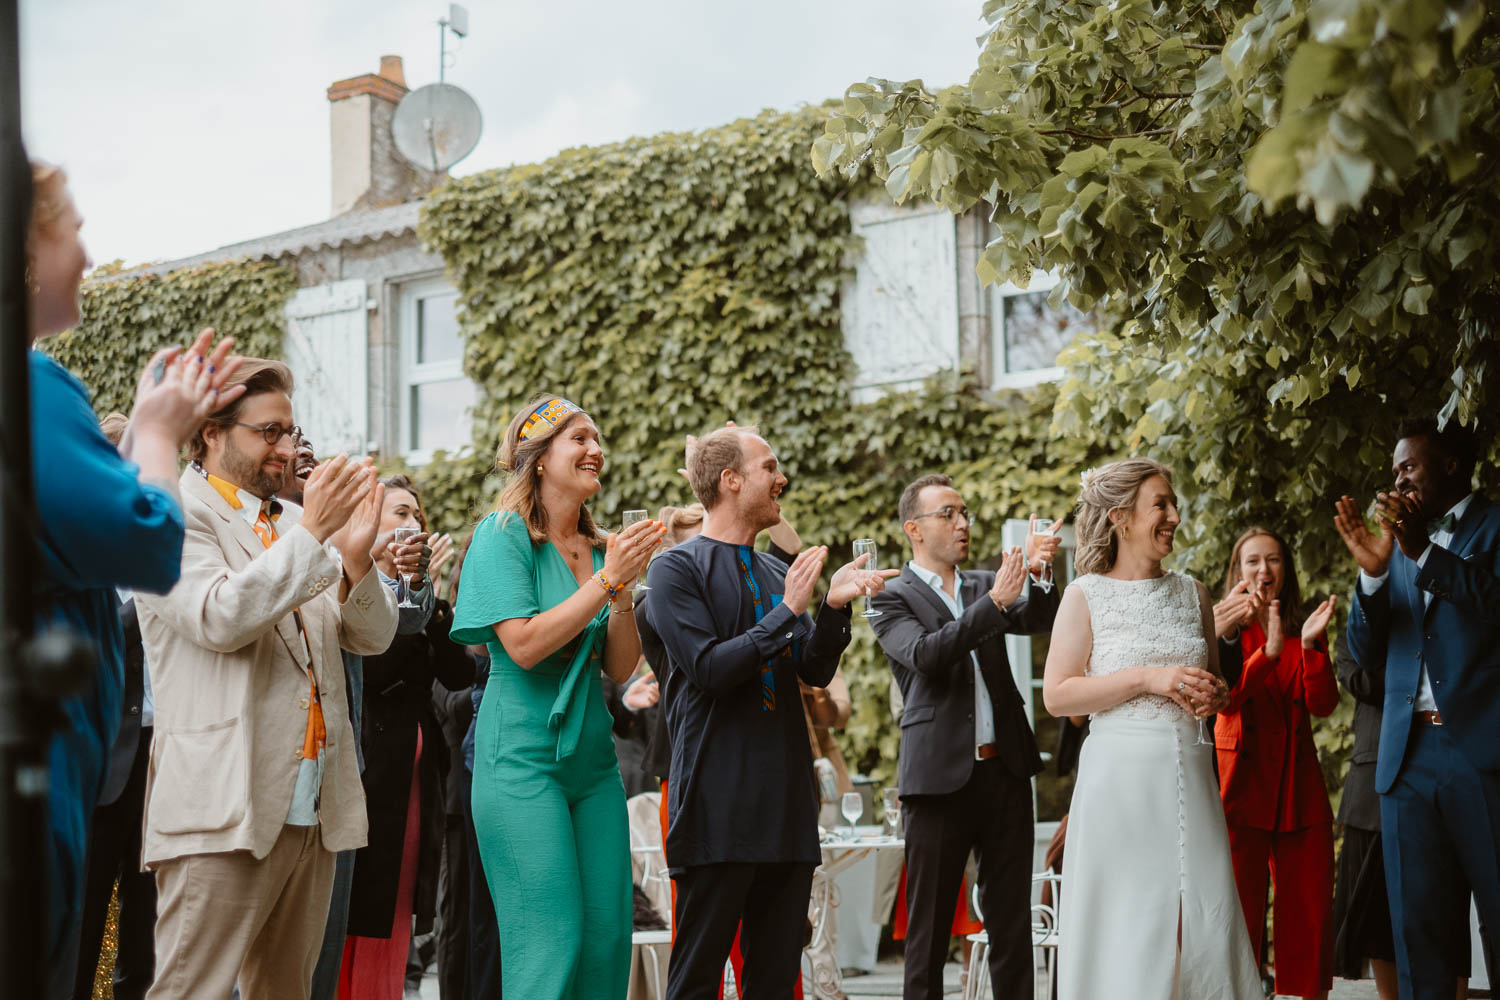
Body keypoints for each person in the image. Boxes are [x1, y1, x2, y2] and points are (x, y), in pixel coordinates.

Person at [26, 161, 241, 1000]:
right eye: (72, 227)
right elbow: (146, 545)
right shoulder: (31, 385)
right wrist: (154, 435)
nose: (87, 252)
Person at [136, 358, 398, 999]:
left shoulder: (287, 526)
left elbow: (370, 636)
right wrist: (314, 533)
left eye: (291, 430)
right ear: (211, 435)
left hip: (313, 806)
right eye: (269, 432)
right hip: (221, 805)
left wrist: (356, 559)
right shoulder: (172, 516)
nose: (287, 448)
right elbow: (220, 617)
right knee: (189, 990)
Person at [638, 424, 894, 1000]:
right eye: (770, 468)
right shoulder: (674, 570)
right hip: (715, 806)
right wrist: (787, 612)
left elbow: (812, 670)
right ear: (730, 481)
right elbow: (708, 669)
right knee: (697, 980)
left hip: (787, 808)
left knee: (776, 981)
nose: (783, 479)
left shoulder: (779, 574)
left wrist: (830, 608)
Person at [449, 395, 664, 1000]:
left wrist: (620, 587)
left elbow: (620, 666)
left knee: (604, 943)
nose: (596, 449)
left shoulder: (600, 547)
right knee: (550, 942)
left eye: (597, 438)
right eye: (579, 438)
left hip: (592, 761)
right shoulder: (503, 535)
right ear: (539, 458)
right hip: (520, 757)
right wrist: (606, 580)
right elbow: (519, 645)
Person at [1042, 458, 1262, 1000]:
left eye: (1173, 503)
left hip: (1191, 776)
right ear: (1121, 518)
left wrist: (1217, 696)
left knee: (1202, 920)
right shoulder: (1085, 595)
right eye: (1159, 504)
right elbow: (1058, 695)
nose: (1173, 516)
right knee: (1130, 927)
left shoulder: (1195, 594)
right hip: (1120, 786)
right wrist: (1147, 677)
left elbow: (1212, 685)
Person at [868, 473, 1061, 1000]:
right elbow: (928, 656)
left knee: (1011, 926)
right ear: (914, 529)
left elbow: (1040, 617)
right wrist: (995, 603)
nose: (962, 524)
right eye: (948, 514)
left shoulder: (981, 583)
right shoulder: (888, 597)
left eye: (965, 513)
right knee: (928, 933)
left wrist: (1040, 572)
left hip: (1005, 772)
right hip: (936, 783)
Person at [1337, 417, 1500, 1000]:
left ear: (1452, 464)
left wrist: (1422, 552)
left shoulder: (1492, 525)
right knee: (1418, 932)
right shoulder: (1398, 545)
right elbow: (1363, 649)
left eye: (1408, 465)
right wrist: (1374, 577)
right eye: (1394, 469)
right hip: (1406, 759)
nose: (1397, 478)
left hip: (1484, 753)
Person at [340, 476, 471, 999]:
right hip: (367, 765)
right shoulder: (347, 585)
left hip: (415, 773)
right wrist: (405, 595)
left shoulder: (422, 595)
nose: (412, 524)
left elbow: (459, 673)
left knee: (396, 905)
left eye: (416, 514)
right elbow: (375, 669)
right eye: (398, 513)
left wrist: (426, 596)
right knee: (358, 904)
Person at [1211, 527, 1339, 998]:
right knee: (1236, 915)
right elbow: (1224, 701)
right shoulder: (1223, 625)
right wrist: (1265, 655)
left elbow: (1322, 704)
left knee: (1308, 913)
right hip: (1239, 785)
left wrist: (1307, 648)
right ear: (1237, 571)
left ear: (1286, 569)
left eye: (1274, 560)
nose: (1264, 570)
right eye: (1252, 561)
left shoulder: (1305, 623)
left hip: (1297, 787)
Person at [69, 414, 165, 1000]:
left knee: (147, 918)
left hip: (163, 759)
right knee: (82, 914)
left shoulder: (160, 547)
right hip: (98, 760)